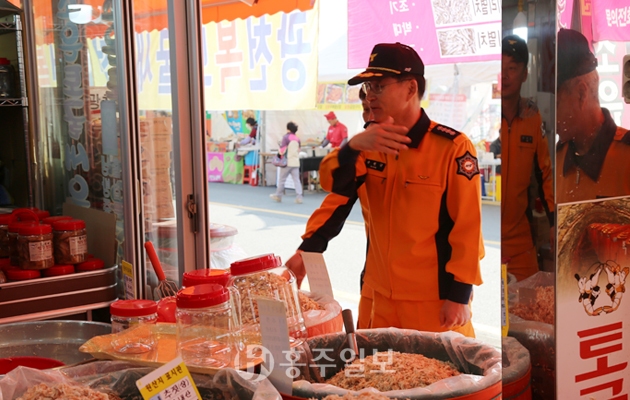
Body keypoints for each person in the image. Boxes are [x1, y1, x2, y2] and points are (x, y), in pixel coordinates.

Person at [287, 42, 483, 337]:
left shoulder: (452, 147)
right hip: (377, 297)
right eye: (367, 87)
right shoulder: (368, 144)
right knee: (375, 368)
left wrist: (460, 294)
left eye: (379, 86)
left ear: (411, 88)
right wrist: (307, 250)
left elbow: (467, 226)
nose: (370, 95)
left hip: (433, 302)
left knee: (436, 368)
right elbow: (336, 194)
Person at [501, 35, 554, 281]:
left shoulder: (532, 117)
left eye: (512, 68)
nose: (504, 76)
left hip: (520, 240)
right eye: (500, 68)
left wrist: (553, 221)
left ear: (525, 74)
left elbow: (545, 173)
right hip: (485, 237)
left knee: (531, 301)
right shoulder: (484, 115)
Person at [556, 28, 630, 203]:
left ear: (581, 94)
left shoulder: (626, 157)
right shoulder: (556, 159)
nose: (550, 114)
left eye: (555, 103)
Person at [270, 121, 303, 204]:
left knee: (282, 180)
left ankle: (278, 196)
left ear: (288, 129)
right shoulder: (298, 139)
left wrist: (279, 153)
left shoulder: (286, 137)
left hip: (287, 162)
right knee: (297, 180)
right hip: (295, 162)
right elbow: (299, 150)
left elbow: (282, 151)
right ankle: (299, 197)